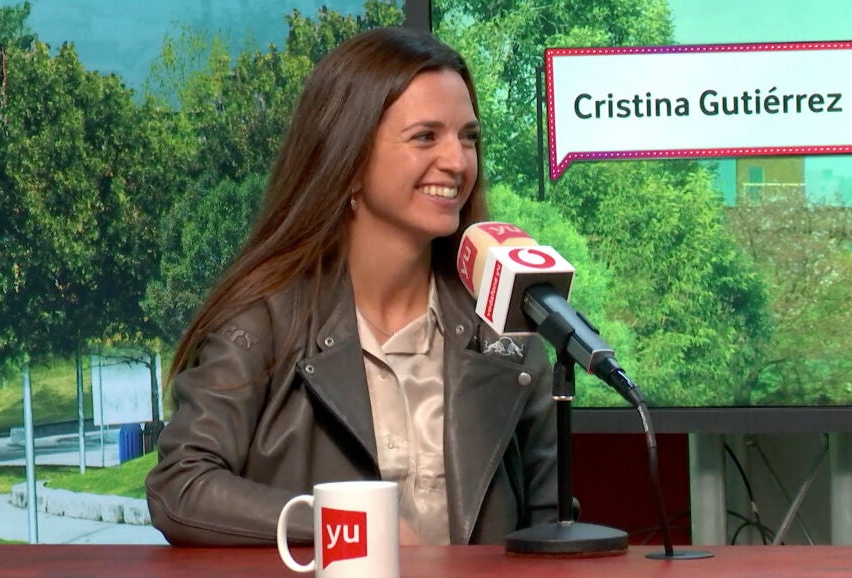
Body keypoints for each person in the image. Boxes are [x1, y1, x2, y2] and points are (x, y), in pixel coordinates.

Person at [146, 25, 558, 547]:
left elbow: (550, 530)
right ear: (349, 156)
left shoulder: (506, 328)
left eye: (468, 137)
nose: (457, 162)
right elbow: (181, 487)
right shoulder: (264, 318)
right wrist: (354, 527)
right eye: (425, 136)